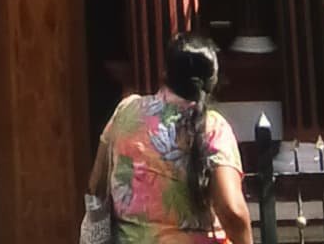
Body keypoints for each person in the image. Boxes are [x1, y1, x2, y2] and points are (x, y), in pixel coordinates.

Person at [86, 31, 247, 242]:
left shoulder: (126, 112)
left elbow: (96, 186)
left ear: (164, 73)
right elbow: (231, 211)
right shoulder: (213, 127)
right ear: (212, 81)